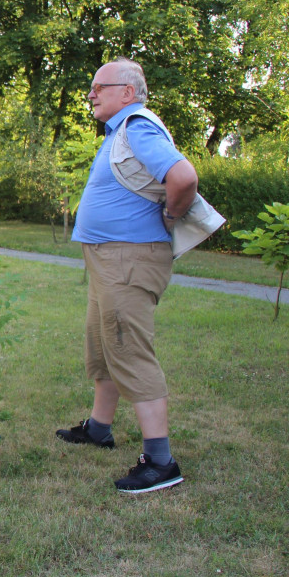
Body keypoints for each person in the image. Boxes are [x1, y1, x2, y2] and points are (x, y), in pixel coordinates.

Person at [57, 57, 198, 493]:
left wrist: (172, 216)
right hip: (110, 260)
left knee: (129, 348)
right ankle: (99, 427)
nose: (92, 93)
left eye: (100, 86)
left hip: (130, 259)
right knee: (103, 345)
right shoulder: (120, 132)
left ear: (128, 92)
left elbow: (183, 177)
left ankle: (160, 461)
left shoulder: (138, 126)